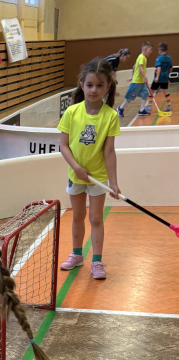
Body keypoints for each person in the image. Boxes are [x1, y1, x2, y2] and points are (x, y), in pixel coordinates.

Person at [58, 58, 121, 281]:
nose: (94, 90)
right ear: (82, 85)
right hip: (75, 176)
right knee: (78, 216)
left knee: (95, 218)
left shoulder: (111, 116)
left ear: (107, 87)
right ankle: (77, 255)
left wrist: (113, 182)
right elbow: (63, 146)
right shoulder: (71, 112)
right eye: (90, 85)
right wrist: (76, 168)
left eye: (99, 85)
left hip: (98, 178)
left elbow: (109, 152)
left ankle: (97, 261)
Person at [117, 42, 153, 117]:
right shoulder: (142, 57)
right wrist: (145, 77)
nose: (151, 52)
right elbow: (140, 68)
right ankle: (121, 108)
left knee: (145, 94)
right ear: (146, 49)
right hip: (137, 82)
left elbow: (134, 67)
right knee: (130, 97)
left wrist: (132, 76)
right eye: (150, 50)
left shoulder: (142, 57)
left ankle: (141, 110)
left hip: (141, 82)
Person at [150, 42, 173, 111]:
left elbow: (159, 68)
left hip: (159, 78)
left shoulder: (159, 58)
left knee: (151, 91)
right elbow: (171, 68)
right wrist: (167, 76)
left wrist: (157, 77)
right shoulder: (169, 58)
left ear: (160, 49)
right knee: (166, 91)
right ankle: (169, 105)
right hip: (165, 78)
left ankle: (149, 105)